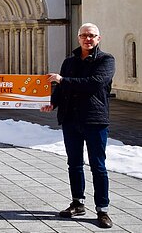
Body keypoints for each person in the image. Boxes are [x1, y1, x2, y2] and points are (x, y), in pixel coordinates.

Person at [42, 23, 115, 229]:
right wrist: (52, 103)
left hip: (95, 120)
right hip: (71, 120)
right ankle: (78, 203)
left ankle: (102, 209)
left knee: (98, 166)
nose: (87, 39)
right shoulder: (70, 61)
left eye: (91, 35)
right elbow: (61, 90)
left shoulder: (106, 60)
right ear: (78, 38)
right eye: (83, 35)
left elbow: (95, 83)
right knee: (74, 164)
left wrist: (63, 80)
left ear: (98, 39)